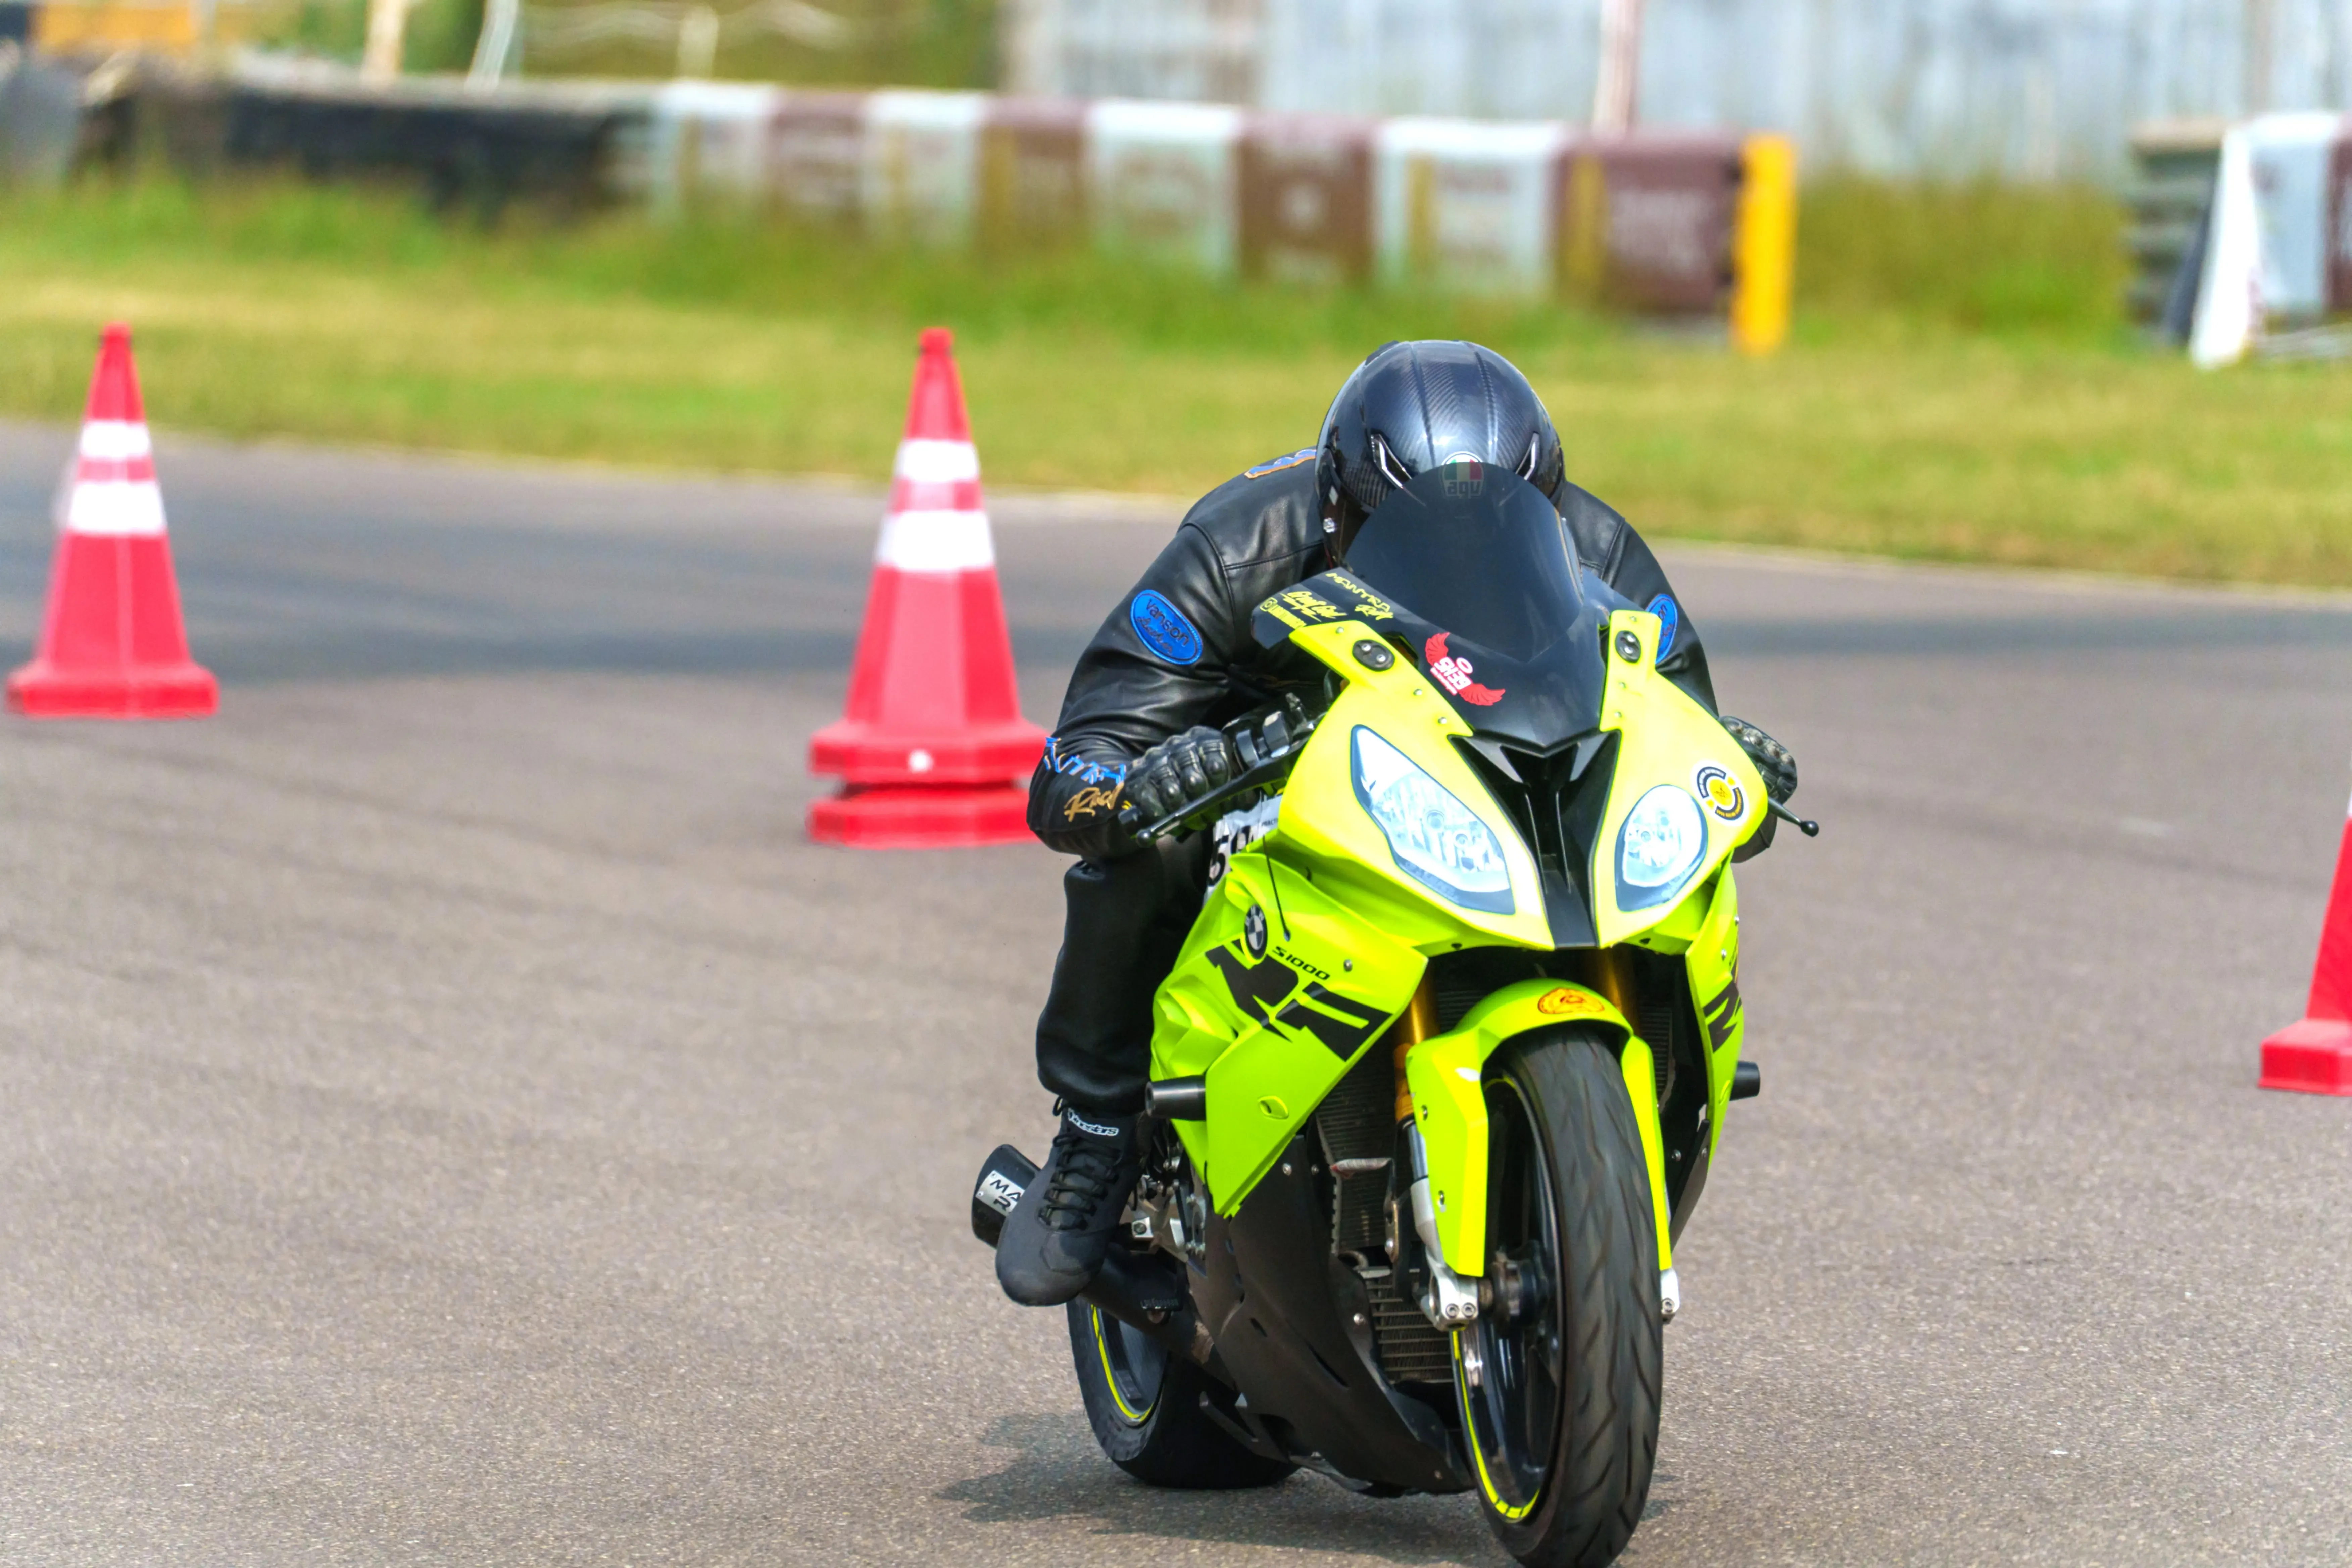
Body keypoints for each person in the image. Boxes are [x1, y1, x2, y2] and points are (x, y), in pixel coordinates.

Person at [995, 340, 1798, 1307]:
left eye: (1499, 523)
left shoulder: (1602, 551)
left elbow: (1682, 722)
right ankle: (1094, 1132)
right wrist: (1148, 781)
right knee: (1148, 847)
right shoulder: (1235, 549)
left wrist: (1732, 769)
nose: (1462, 554)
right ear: (1339, 511)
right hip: (1275, 786)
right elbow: (1078, 765)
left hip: (1489, 784)